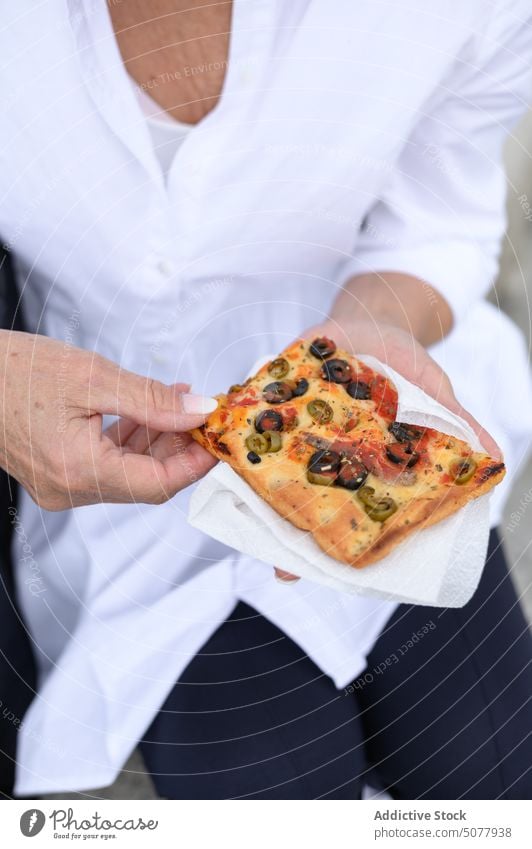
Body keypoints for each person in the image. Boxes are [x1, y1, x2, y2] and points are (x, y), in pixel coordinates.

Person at [1, 0, 531, 799]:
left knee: (488, 772)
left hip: (381, 396)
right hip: (102, 462)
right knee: (273, 788)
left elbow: (440, 223)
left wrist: (374, 328)